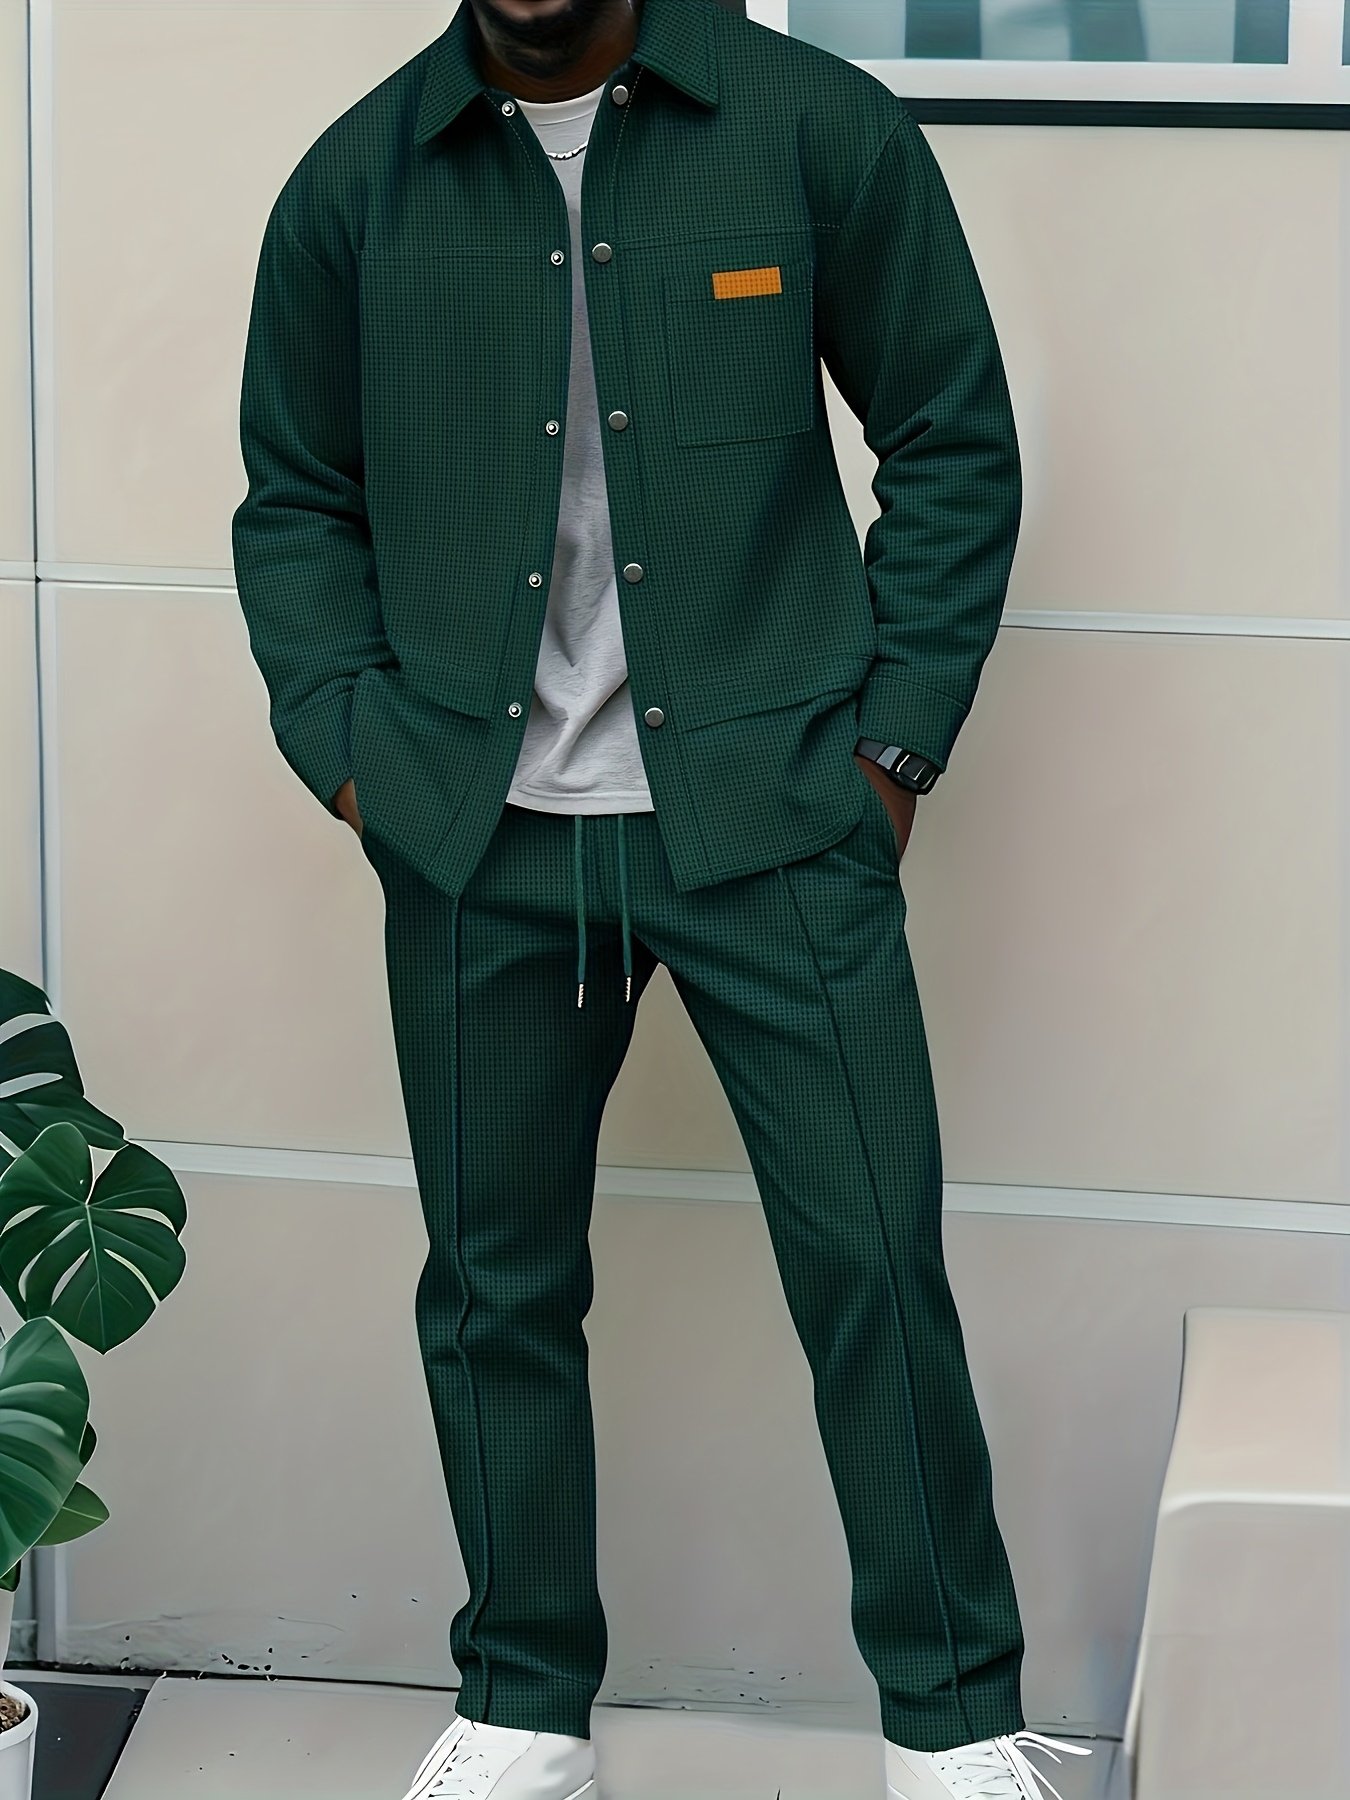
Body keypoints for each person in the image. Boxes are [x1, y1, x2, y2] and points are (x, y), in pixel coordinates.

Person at [231, 1, 1091, 1795]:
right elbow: (296, 501)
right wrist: (354, 755)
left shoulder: (811, 129)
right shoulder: (351, 186)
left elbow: (950, 435)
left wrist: (890, 753)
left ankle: (953, 1718)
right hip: (475, 837)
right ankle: (522, 1705)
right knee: (494, 1292)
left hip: (769, 816)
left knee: (871, 1266)